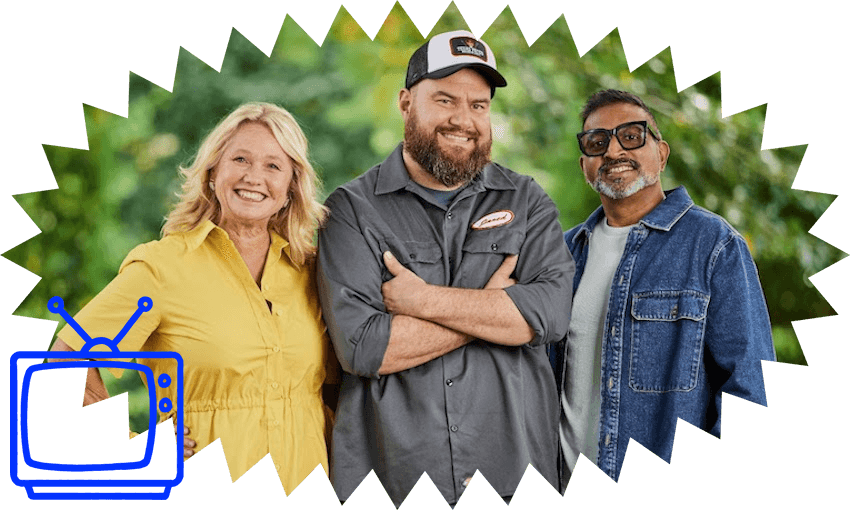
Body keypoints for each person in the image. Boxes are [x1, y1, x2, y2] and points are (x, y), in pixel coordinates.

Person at [317, 30, 574, 506]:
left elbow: (550, 315)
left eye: (479, 105)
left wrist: (422, 301)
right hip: (394, 483)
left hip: (514, 481)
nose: (464, 119)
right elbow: (366, 348)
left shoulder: (528, 202)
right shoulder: (352, 212)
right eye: (445, 99)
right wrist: (495, 310)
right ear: (405, 102)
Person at [48, 102, 337, 494]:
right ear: (213, 172)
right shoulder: (163, 266)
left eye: (273, 166)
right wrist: (135, 450)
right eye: (240, 159)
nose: (254, 177)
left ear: (290, 188)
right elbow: (63, 364)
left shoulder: (313, 271)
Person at [553, 89, 776, 481]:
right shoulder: (560, 255)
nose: (613, 150)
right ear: (584, 164)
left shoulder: (714, 246)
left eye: (632, 136)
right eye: (597, 142)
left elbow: (751, 393)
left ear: (662, 153)